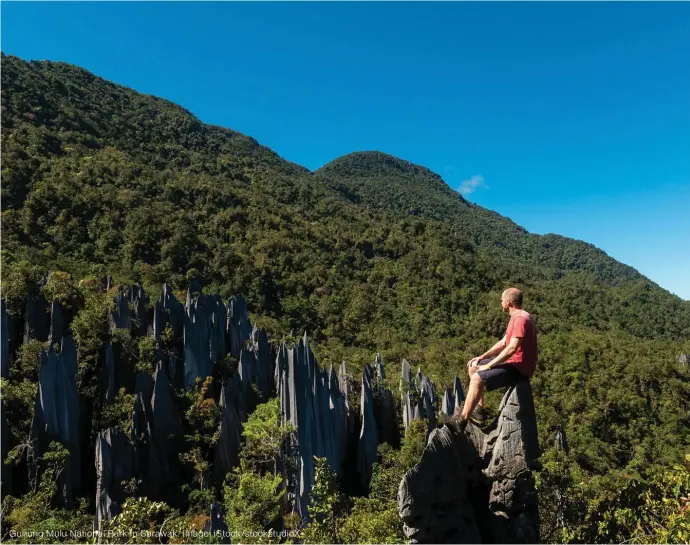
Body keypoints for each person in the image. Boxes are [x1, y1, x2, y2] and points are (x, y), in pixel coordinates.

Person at [452, 287, 538, 432]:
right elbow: (503, 343)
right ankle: (479, 409)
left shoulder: (520, 319)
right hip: (514, 363)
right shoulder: (516, 318)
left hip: (520, 368)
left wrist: (490, 365)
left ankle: (461, 421)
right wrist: (482, 357)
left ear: (509, 302)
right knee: (474, 366)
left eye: (502, 300)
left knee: (477, 378)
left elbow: (512, 349)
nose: (501, 303)